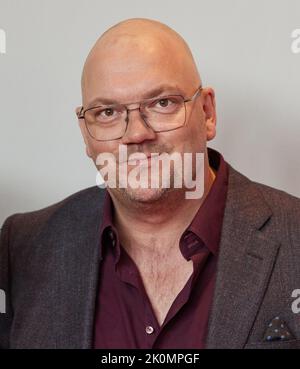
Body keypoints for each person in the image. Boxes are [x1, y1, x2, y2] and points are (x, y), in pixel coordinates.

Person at [0, 18, 299, 349]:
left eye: (162, 103)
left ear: (207, 112)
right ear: (86, 134)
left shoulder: (294, 234)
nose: (137, 134)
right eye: (107, 112)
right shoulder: (21, 247)